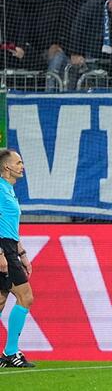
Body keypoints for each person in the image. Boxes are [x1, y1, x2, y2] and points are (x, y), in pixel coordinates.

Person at [0, 150, 35, 368]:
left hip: (10, 247)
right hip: (3, 248)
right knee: (26, 296)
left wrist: (22, 254)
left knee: (2, 300)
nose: (22, 166)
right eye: (18, 162)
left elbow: (11, 227)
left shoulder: (9, 191)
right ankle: (11, 352)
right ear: (7, 167)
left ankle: (8, 354)